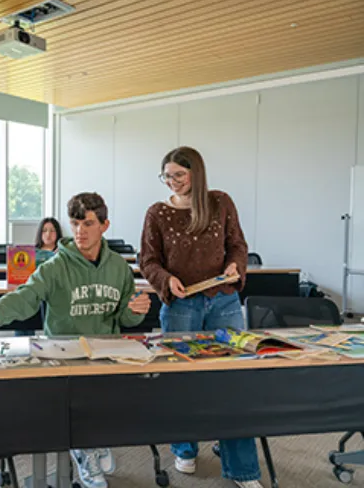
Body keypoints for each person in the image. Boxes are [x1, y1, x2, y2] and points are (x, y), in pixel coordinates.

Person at [0, 192, 151, 488]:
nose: (80, 231)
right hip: (66, 353)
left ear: (104, 225)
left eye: (88, 223)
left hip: (107, 351)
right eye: (75, 223)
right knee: (79, 404)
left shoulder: (119, 268)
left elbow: (125, 318)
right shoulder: (55, 266)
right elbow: (25, 297)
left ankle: (94, 442)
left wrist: (135, 311)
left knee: (112, 401)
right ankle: (85, 450)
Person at [138, 146, 262, 488]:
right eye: (167, 175)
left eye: (179, 174)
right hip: (181, 306)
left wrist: (235, 266)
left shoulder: (221, 202)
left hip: (223, 301)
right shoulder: (157, 213)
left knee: (233, 380)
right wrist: (166, 280)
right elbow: (148, 260)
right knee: (182, 381)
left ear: (197, 173)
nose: (173, 181)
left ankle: (242, 468)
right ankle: (184, 448)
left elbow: (237, 244)